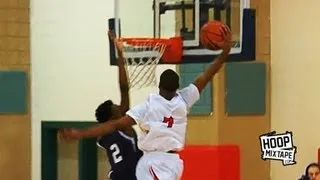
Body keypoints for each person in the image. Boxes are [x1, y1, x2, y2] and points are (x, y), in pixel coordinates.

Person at [59, 25, 232, 180]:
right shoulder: (184, 100)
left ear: (159, 86)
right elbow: (206, 76)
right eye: (118, 108)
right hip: (160, 164)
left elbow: (117, 111)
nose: (122, 107)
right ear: (178, 87)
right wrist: (225, 53)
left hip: (146, 166)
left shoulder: (146, 108)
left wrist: (80, 134)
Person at [93, 31, 143, 180]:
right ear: (112, 116)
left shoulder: (105, 135)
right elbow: (124, 88)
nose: (120, 107)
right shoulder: (122, 127)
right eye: (116, 107)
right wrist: (121, 54)